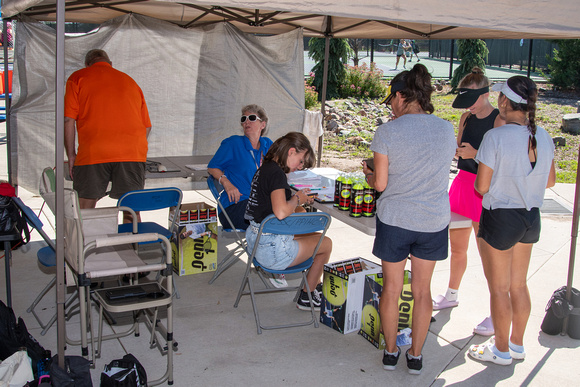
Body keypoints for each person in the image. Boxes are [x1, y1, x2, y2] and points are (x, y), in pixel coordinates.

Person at [363, 64, 455, 375]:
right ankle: (415, 356)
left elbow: (381, 184)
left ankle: (391, 353)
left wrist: (370, 174)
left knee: (391, 289)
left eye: (391, 99)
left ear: (402, 96)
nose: (390, 105)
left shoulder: (387, 131)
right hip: (433, 221)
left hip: (397, 219)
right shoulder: (446, 129)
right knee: (422, 292)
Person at [468, 76, 555, 365]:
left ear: (504, 101)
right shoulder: (542, 135)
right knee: (519, 285)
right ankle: (516, 345)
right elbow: (551, 180)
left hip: (502, 217)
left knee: (499, 289)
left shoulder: (496, 137)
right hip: (531, 216)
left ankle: (501, 350)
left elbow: (481, 186)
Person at [432, 67, 506, 338]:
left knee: (488, 256)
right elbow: (461, 148)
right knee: (458, 247)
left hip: (483, 188)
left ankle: (495, 312)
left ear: (486, 95)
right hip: (462, 183)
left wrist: (476, 154)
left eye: (472, 101)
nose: (469, 108)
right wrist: (458, 152)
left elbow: (502, 162)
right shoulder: (465, 117)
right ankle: (452, 293)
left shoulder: (499, 120)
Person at [245, 132, 333, 311]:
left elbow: (272, 204)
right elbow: (281, 211)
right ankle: (307, 295)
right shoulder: (277, 174)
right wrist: (297, 199)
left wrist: (296, 200)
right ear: (291, 152)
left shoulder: (267, 168)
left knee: (310, 229)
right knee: (326, 244)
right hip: (272, 251)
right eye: (300, 161)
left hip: (256, 241)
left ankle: (309, 289)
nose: (300, 167)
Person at [64, 49, 151, 223]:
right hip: (131, 154)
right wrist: (130, 146)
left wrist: (72, 155)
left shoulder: (78, 78)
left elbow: (68, 120)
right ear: (110, 64)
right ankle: (132, 246)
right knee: (131, 208)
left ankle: (82, 248)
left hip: (93, 152)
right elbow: (147, 127)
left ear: (87, 64)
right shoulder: (130, 81)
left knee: (85, 206)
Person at [207, 105, 273, 231]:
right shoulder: (233, 143)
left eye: (252, 118)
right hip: (235, 206)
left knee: (296, 212)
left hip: (262, 204)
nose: (246, 121)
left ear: (262, 125)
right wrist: (226, 183)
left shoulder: (268, 145)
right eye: (244, 119)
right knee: (278, 216)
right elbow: (212, 167)